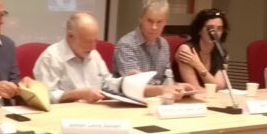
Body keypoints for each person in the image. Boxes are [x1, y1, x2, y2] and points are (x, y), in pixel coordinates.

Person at [34, 12, 193, 103]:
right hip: (64, 118)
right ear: (70, 36)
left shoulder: (93, 54)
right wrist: (78, 94)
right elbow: (45, 97)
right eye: (88, 41)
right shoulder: (51, 57)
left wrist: (129, 81)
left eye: (95, 40)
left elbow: (107, 83)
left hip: (95, 115)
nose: (93, 47)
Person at [114, 0, 172, 84]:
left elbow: (167, 77)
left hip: (160, 92)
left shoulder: (164, 44)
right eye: (150, 21)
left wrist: (177, 87)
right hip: (132, 92)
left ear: (165, 22)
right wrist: (164, 89)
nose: (154, 27)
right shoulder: (126, 45)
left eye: (159, 22)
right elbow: (134, 84)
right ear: (141, 19)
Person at [175, 8, 230, 90]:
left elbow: (219, 86)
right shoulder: (186, 50)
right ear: (199, 30)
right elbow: (194, 88)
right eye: (210, 28)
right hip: (186, 97)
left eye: (219, 29)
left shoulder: (220, 52)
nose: (214, 33)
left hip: (207, 96)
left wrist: (198, 65)